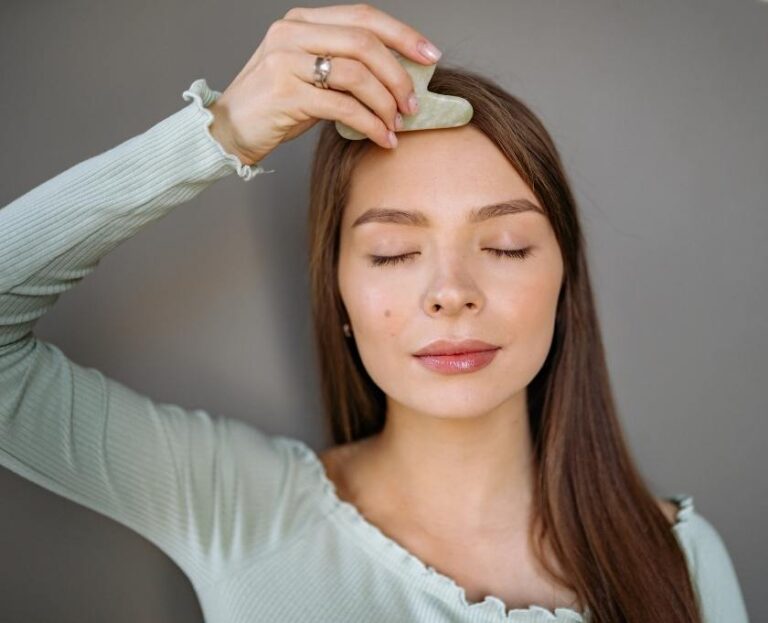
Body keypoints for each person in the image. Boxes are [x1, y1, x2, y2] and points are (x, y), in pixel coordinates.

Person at [0, 4, 749, 623]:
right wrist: (219, 132)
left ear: (564, 279)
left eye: (507, 245)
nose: (450, 291)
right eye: (393, 252)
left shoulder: (679, 560)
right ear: (340, 295)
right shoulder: (236, 505)